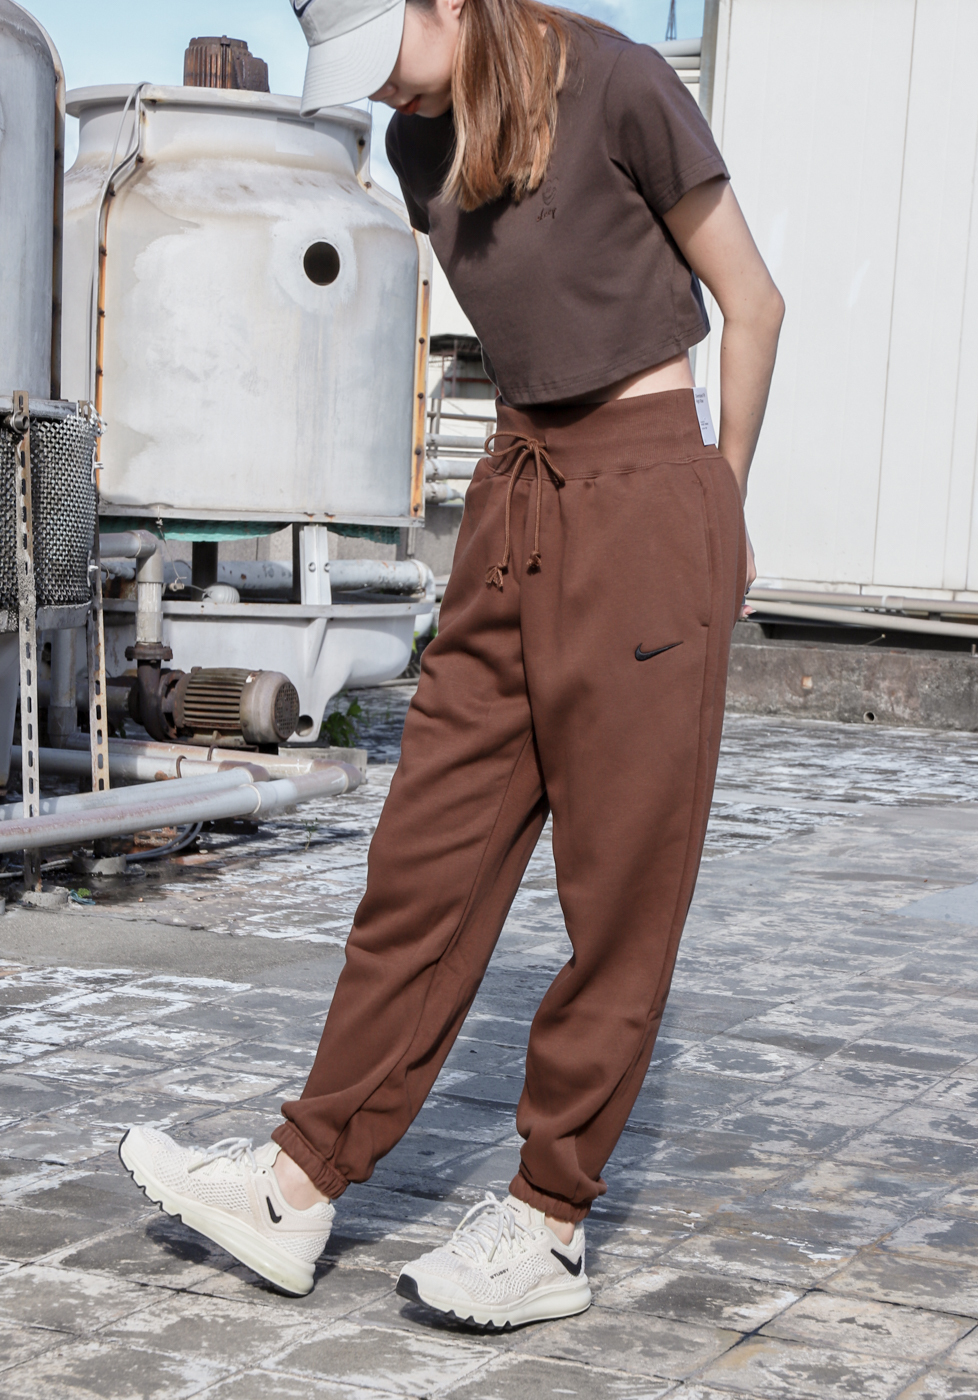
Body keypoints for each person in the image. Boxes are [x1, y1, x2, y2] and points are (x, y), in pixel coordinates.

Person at [118, 0, 783, 1327]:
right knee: (423, 859)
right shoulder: (419, 148)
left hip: (647, 502)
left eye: (389, 56)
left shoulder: (619, 82)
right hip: (512, 502)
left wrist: (722, 503)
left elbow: (753, 300)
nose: (384, 95)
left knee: (619, 892)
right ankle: (299, 1187)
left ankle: (548, 1223)